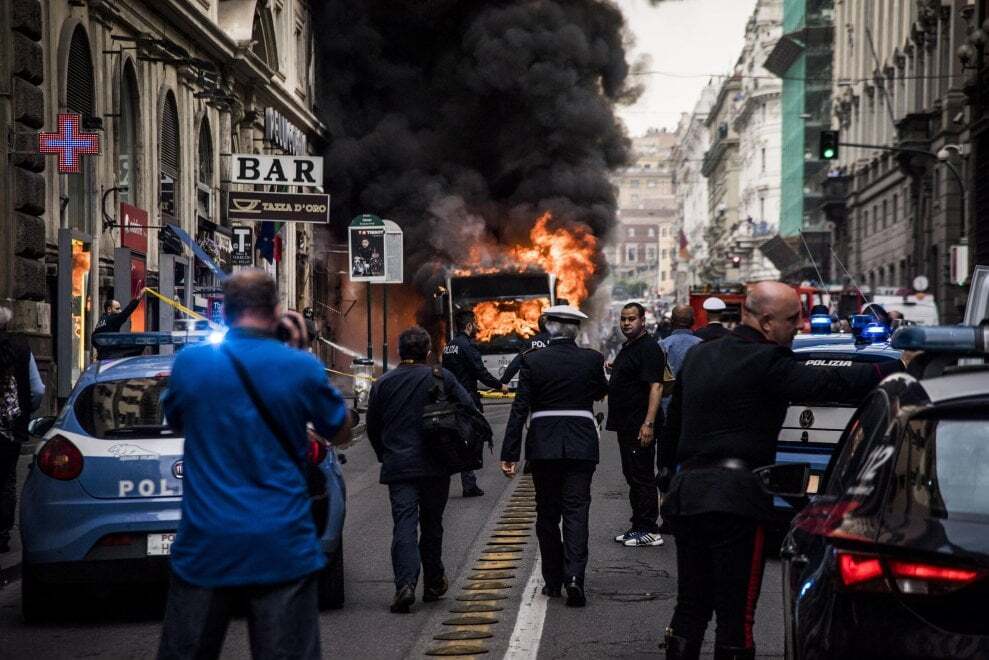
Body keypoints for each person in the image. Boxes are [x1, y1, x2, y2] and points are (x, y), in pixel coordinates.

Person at [657, 281, 916, 660]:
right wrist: (898, 366)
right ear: (766, 322)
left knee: (689, 608)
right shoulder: (768, 361)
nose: (800, 326)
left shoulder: (699, 356)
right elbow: (832, 382)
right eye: (793, 319)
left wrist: (667, 481)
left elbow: (672, 428)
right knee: (737, 618)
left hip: (689, 495)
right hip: (737, 501)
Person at [158, 270, 350, 660]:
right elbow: (340, 429)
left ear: (224, 312)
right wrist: (299, 352)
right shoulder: (300, 367)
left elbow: (176, 419)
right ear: (277, 312)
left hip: (206, 544)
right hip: (281, 543)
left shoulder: (191, 365)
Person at [500, 305, 608, 607]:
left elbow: (519, 409)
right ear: (576, 330)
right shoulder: (592, 359)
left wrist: (510, 453)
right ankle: (575, 577)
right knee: (576, 510)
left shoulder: (533, 361)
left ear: (549, 328)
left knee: (547, 514)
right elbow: (601, 391)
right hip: (581, 445)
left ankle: (552, 579)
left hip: (544, 446)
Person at [366, 326, 474, 613]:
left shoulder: (383, 384)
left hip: (399, 465)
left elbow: (373, 428)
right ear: (428, 352)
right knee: (432, 523)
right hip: (436, 464)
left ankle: (405, 585)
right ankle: (434, 581)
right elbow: (468, 408)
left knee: (404, 524)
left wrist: (385, 455)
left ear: (399, 352)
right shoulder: (441, 376)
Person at [606, 302, 666, 548]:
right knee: (631, 475)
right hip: (625, 424)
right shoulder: (630, 347)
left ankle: (649, 529)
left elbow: (656, 386)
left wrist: (648, 424)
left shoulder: (649, 348)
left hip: (639, 424)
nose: (626, 323)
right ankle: (638, 525)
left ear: (643, 320)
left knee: (642, 476)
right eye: (623, 319)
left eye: (631, 319)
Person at [442, 309, 507, 497]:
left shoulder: (449, 346)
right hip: (467, 400)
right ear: (469, 325)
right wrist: (500, 385)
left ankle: (466, 481)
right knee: (470, 440)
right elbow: (480, 372)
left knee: (460, 439)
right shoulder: (467, 346)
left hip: (452, 399)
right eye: (475, 323)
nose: (478, 326)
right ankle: (469, 484)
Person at [0, 306, 45, 554]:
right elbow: (37, 390)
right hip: (9, 428)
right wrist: (27, 412)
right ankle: (3, 534)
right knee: (6, 480)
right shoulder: (20, 347)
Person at [659, 305, 701, 414]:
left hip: (667, 410)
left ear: (671, 322)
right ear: (693, 321)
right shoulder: (703, 345)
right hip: (695, 409)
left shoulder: (662, 346)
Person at [93, 290, 147, 359]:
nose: (120, 311)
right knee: (140, 344)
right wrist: (138, 298)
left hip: (102, 355)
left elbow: (93, 340)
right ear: (109, 309)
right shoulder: (112, 319)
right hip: (111, 354)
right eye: (117, 309)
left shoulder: (101, 320)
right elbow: (125, 313)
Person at [500, 314, 551, 386]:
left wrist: (503, 382)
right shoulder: (558, 341)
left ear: (539, 326)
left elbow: (517, 362)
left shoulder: (531, 342)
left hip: (535, 383)